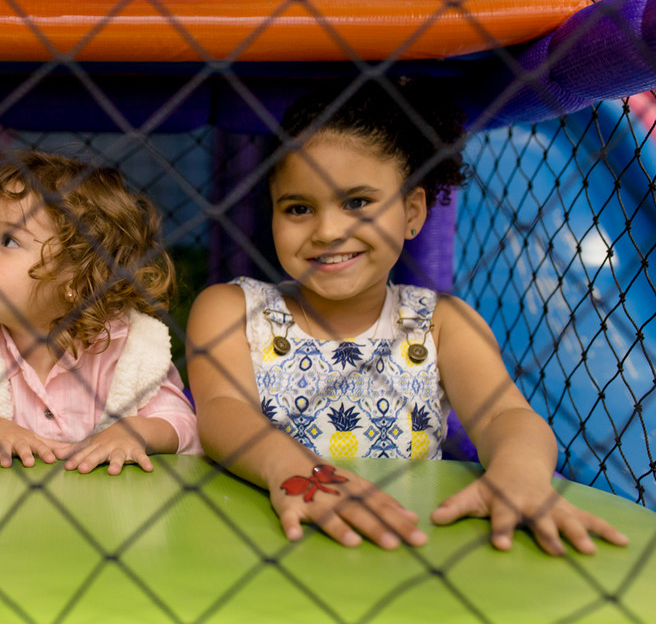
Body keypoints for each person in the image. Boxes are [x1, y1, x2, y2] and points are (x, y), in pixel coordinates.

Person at [186, 79, 628, 555]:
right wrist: (300, 473)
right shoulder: (232, 310)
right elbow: (222, 411)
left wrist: (518, 471)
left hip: (403, 551)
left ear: (411, 211)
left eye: (357, 202)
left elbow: (505, 414)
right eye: (298, 208)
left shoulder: (441, 324)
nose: (328, 230)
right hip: (266, 544)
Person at [0, 150, 200, 473]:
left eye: (9, 242)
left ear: (76, 278)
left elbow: (183, 425)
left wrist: (136, 432)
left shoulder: (128, 347)